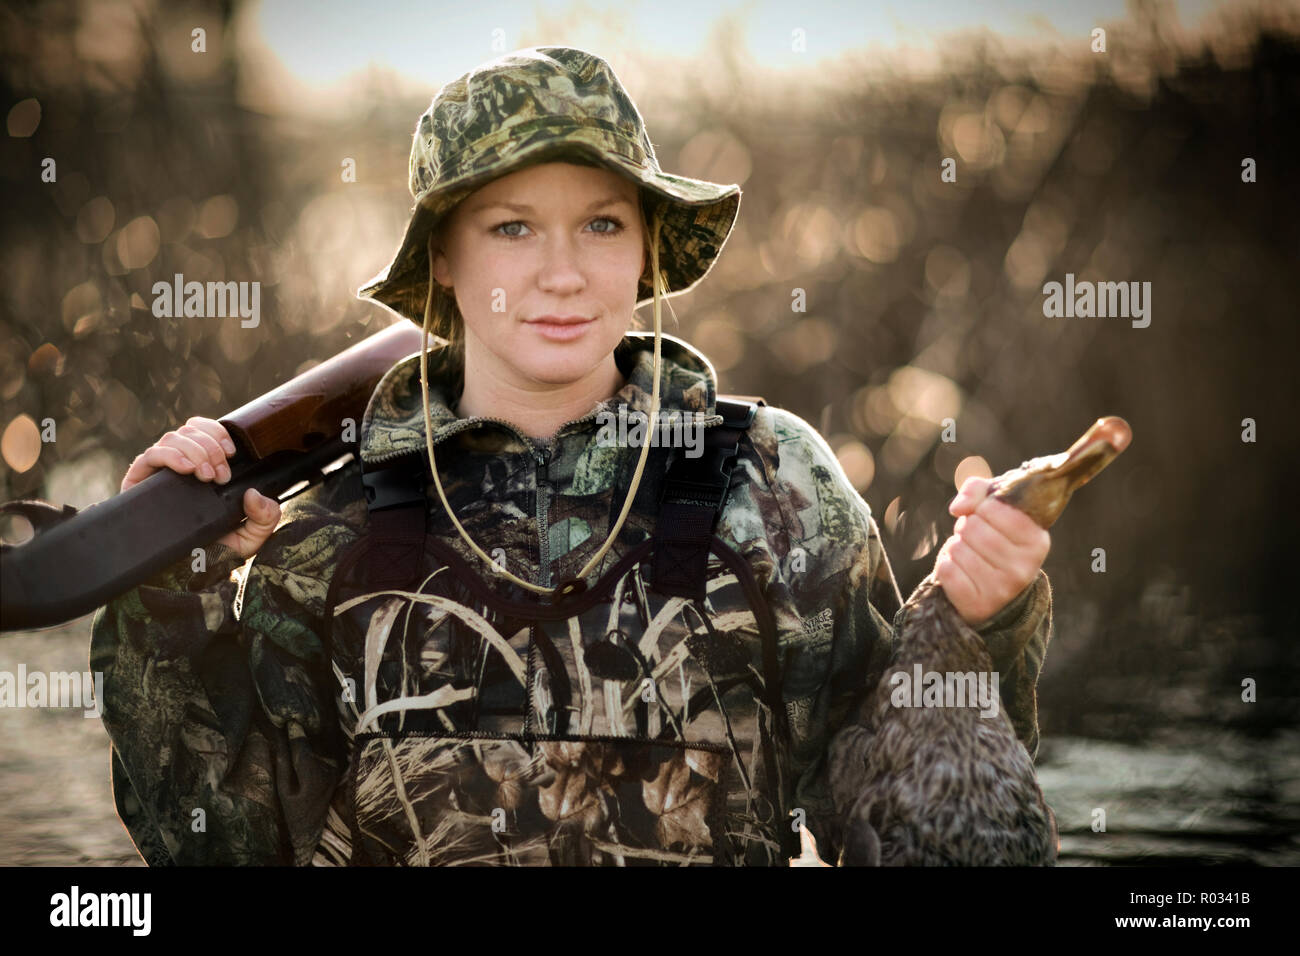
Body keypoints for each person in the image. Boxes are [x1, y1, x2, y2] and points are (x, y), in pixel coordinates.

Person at [91, 45, 1053, 867]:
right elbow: (227, 844)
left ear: (646, 251)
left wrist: (978, 622)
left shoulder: (775, 483)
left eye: (602, 223)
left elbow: (899, 819)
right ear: (443, 266)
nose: (563, 272)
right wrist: (170, 586)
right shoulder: (335, 527)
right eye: (511, 228)